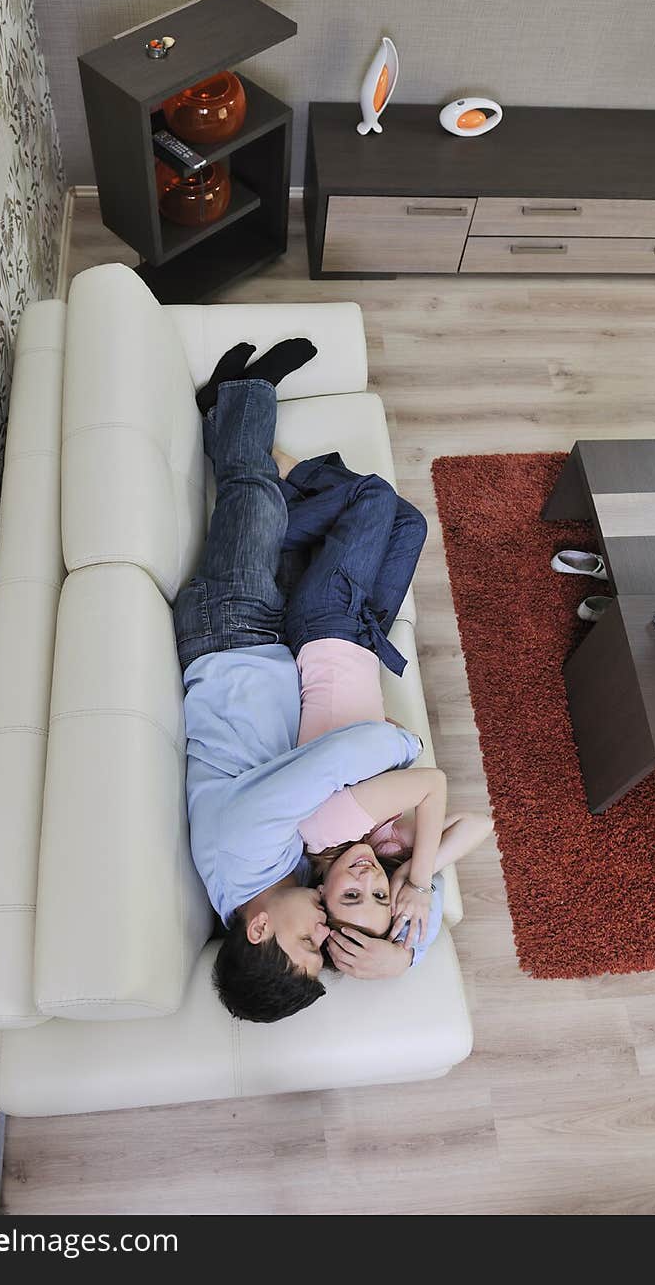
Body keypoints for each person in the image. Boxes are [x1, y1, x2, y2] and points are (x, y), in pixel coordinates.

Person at [175, 343, 424, 1024]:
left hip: (230, 635)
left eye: (307, 942)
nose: (323, 927)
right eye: (327, 944)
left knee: (252, 497)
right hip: (274, 644)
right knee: (330, 524)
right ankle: (229, 410)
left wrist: (401, 749)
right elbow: (387, 890)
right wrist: (406, 955)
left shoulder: (245, 848)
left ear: (258, 930)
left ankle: (245, 394)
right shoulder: (273, 881)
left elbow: (336, 763)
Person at [274, 449, 494, 980]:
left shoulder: (327, 828)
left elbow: (433, 782)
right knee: (409, 523)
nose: (368, 876)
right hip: (364, 639)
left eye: (354, 894)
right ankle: (294, 513)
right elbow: (478, 825)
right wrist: (407, 887)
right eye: (376, 891)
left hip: (324, 630)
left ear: (321, 899)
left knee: (373, 497)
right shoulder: (371, 841)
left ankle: (270, 503)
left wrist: (413, 885)